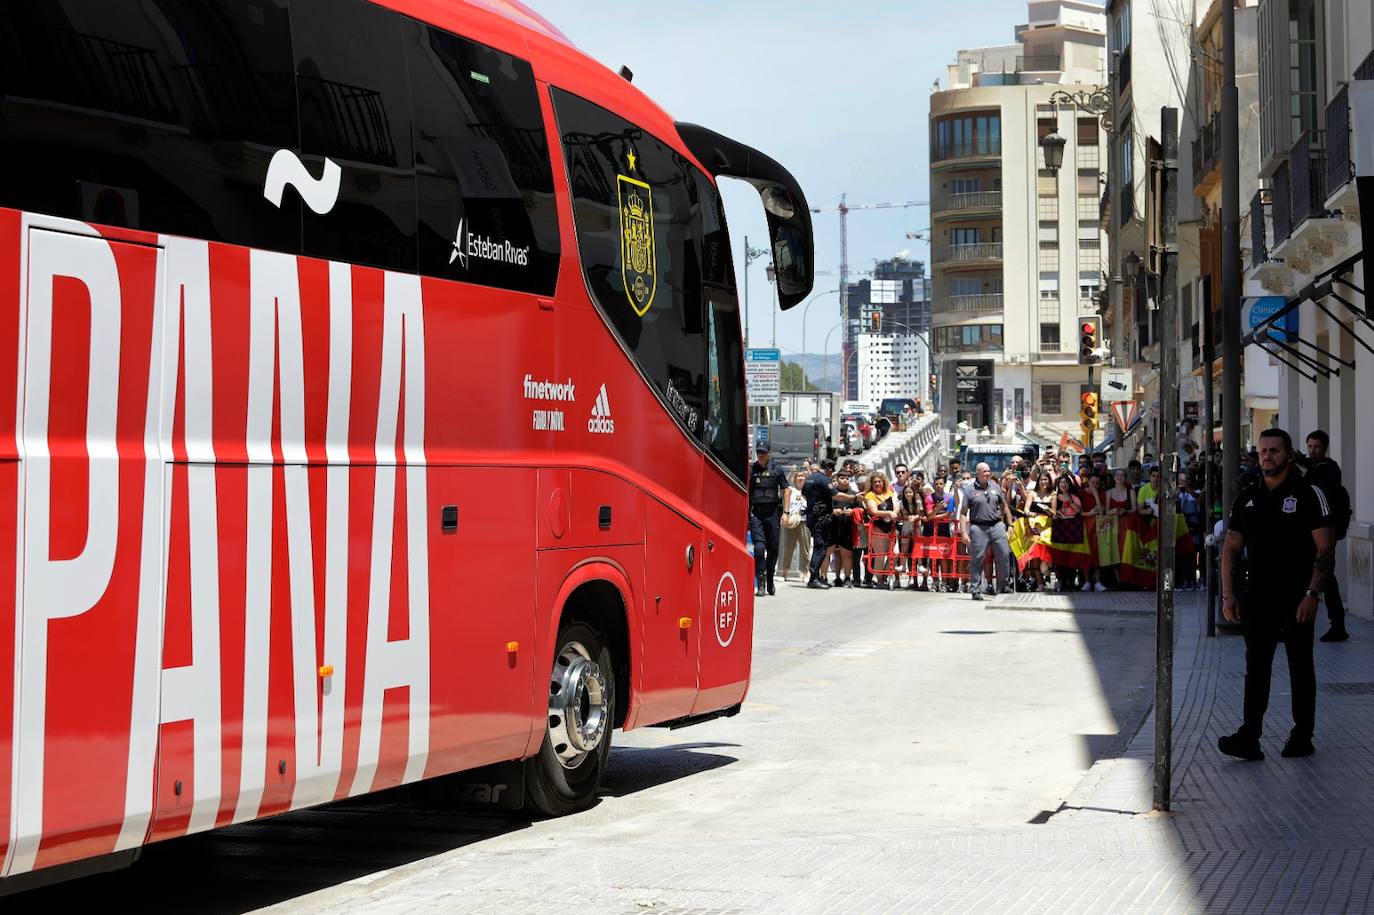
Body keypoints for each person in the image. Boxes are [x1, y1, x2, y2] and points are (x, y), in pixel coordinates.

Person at [1218, 428, 1335, 761]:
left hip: (1297, 597)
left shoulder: (1310, 493)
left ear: (1289, 454)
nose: (1266, 456)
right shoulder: (1247, 495)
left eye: (1274, 450)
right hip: (1256, 597)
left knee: (1300, 666)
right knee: (1256, 668)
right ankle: (1249, 737)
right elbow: (1230, 548)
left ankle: (1302, 735)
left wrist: (1313, 593)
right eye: (1262, 450)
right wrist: (1228, 594)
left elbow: (1325, 549)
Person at [1305, 430, 1351, 642]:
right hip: (1310, 531)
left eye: (1317, 447)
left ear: (1325, 448)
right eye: (1310, 446)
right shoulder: (1311, 467)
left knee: (1326, 578)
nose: (1313, 451)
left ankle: (1338, 625)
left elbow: (1319, 491)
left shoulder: (1329, 469)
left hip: (1326, 532)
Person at [959, 462, 1013, 601]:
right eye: (985, 471)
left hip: (997, 525)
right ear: (977, 473)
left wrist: (1010, 525)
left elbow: (1004, 506)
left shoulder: (995, 487)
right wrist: (964, 532)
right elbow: (964, 512)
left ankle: (1002, 585)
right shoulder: (969, 490)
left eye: (989, 471)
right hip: (978, 527)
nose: (988, 474)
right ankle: (975, 589)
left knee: (1004, 555)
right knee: (977, 559)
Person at [747, 444, 789, 597]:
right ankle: (761, 581)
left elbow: (785, 490)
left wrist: (786, 512)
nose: (761, 455)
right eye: (758, 453)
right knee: (759, 548)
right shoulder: (751, 470)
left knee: (773, 549)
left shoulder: (777, 469)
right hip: (756, 515)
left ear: (769, 454)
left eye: (763, 453)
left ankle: (770, 577)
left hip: (773, 514)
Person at [802, 459, 837, 589]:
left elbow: (804, 494)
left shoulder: (811, 478)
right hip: (820, 518)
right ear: (829, 469)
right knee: (820, 547)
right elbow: (836, 495)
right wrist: (854, 497)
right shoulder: (823, 479)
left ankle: (817, 577)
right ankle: (813, 579)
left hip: (813, 516)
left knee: (821, 546)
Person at [864, 473, 900, 589]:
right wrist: (889, 513)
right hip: (878, 528)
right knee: (880, 555)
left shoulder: (890, 493)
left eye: (879, 481)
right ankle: (879, 579)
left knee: (895, 553)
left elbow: (896, 506)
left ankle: (884, 576)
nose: (877, 484)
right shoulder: (870, 495)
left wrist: (894, 512)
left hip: (891, 527)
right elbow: (873, 511)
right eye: (875, 482)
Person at [780, 471, 812, 584]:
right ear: (795, 478)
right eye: (799, 476)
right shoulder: (791, 490)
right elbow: (784, 485)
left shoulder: (810, 490)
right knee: (789, 547)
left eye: (803, 476)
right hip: (792, 521)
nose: (801, 478)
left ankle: (805, 572)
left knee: (805, 548)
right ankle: (785, 572)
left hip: (805, 521)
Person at [899, 482, 928, 590]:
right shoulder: (902, 503)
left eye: (910, 492)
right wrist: (908, 518)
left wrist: (915, 518)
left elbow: (920, 513)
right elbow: (903, 513)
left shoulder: (918, 501)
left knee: (918, 545)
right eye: (906, 492)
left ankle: (920, 565)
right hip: (907, 524)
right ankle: (902, 564)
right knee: (904, 544)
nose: (908, 494)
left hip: (917, 524)